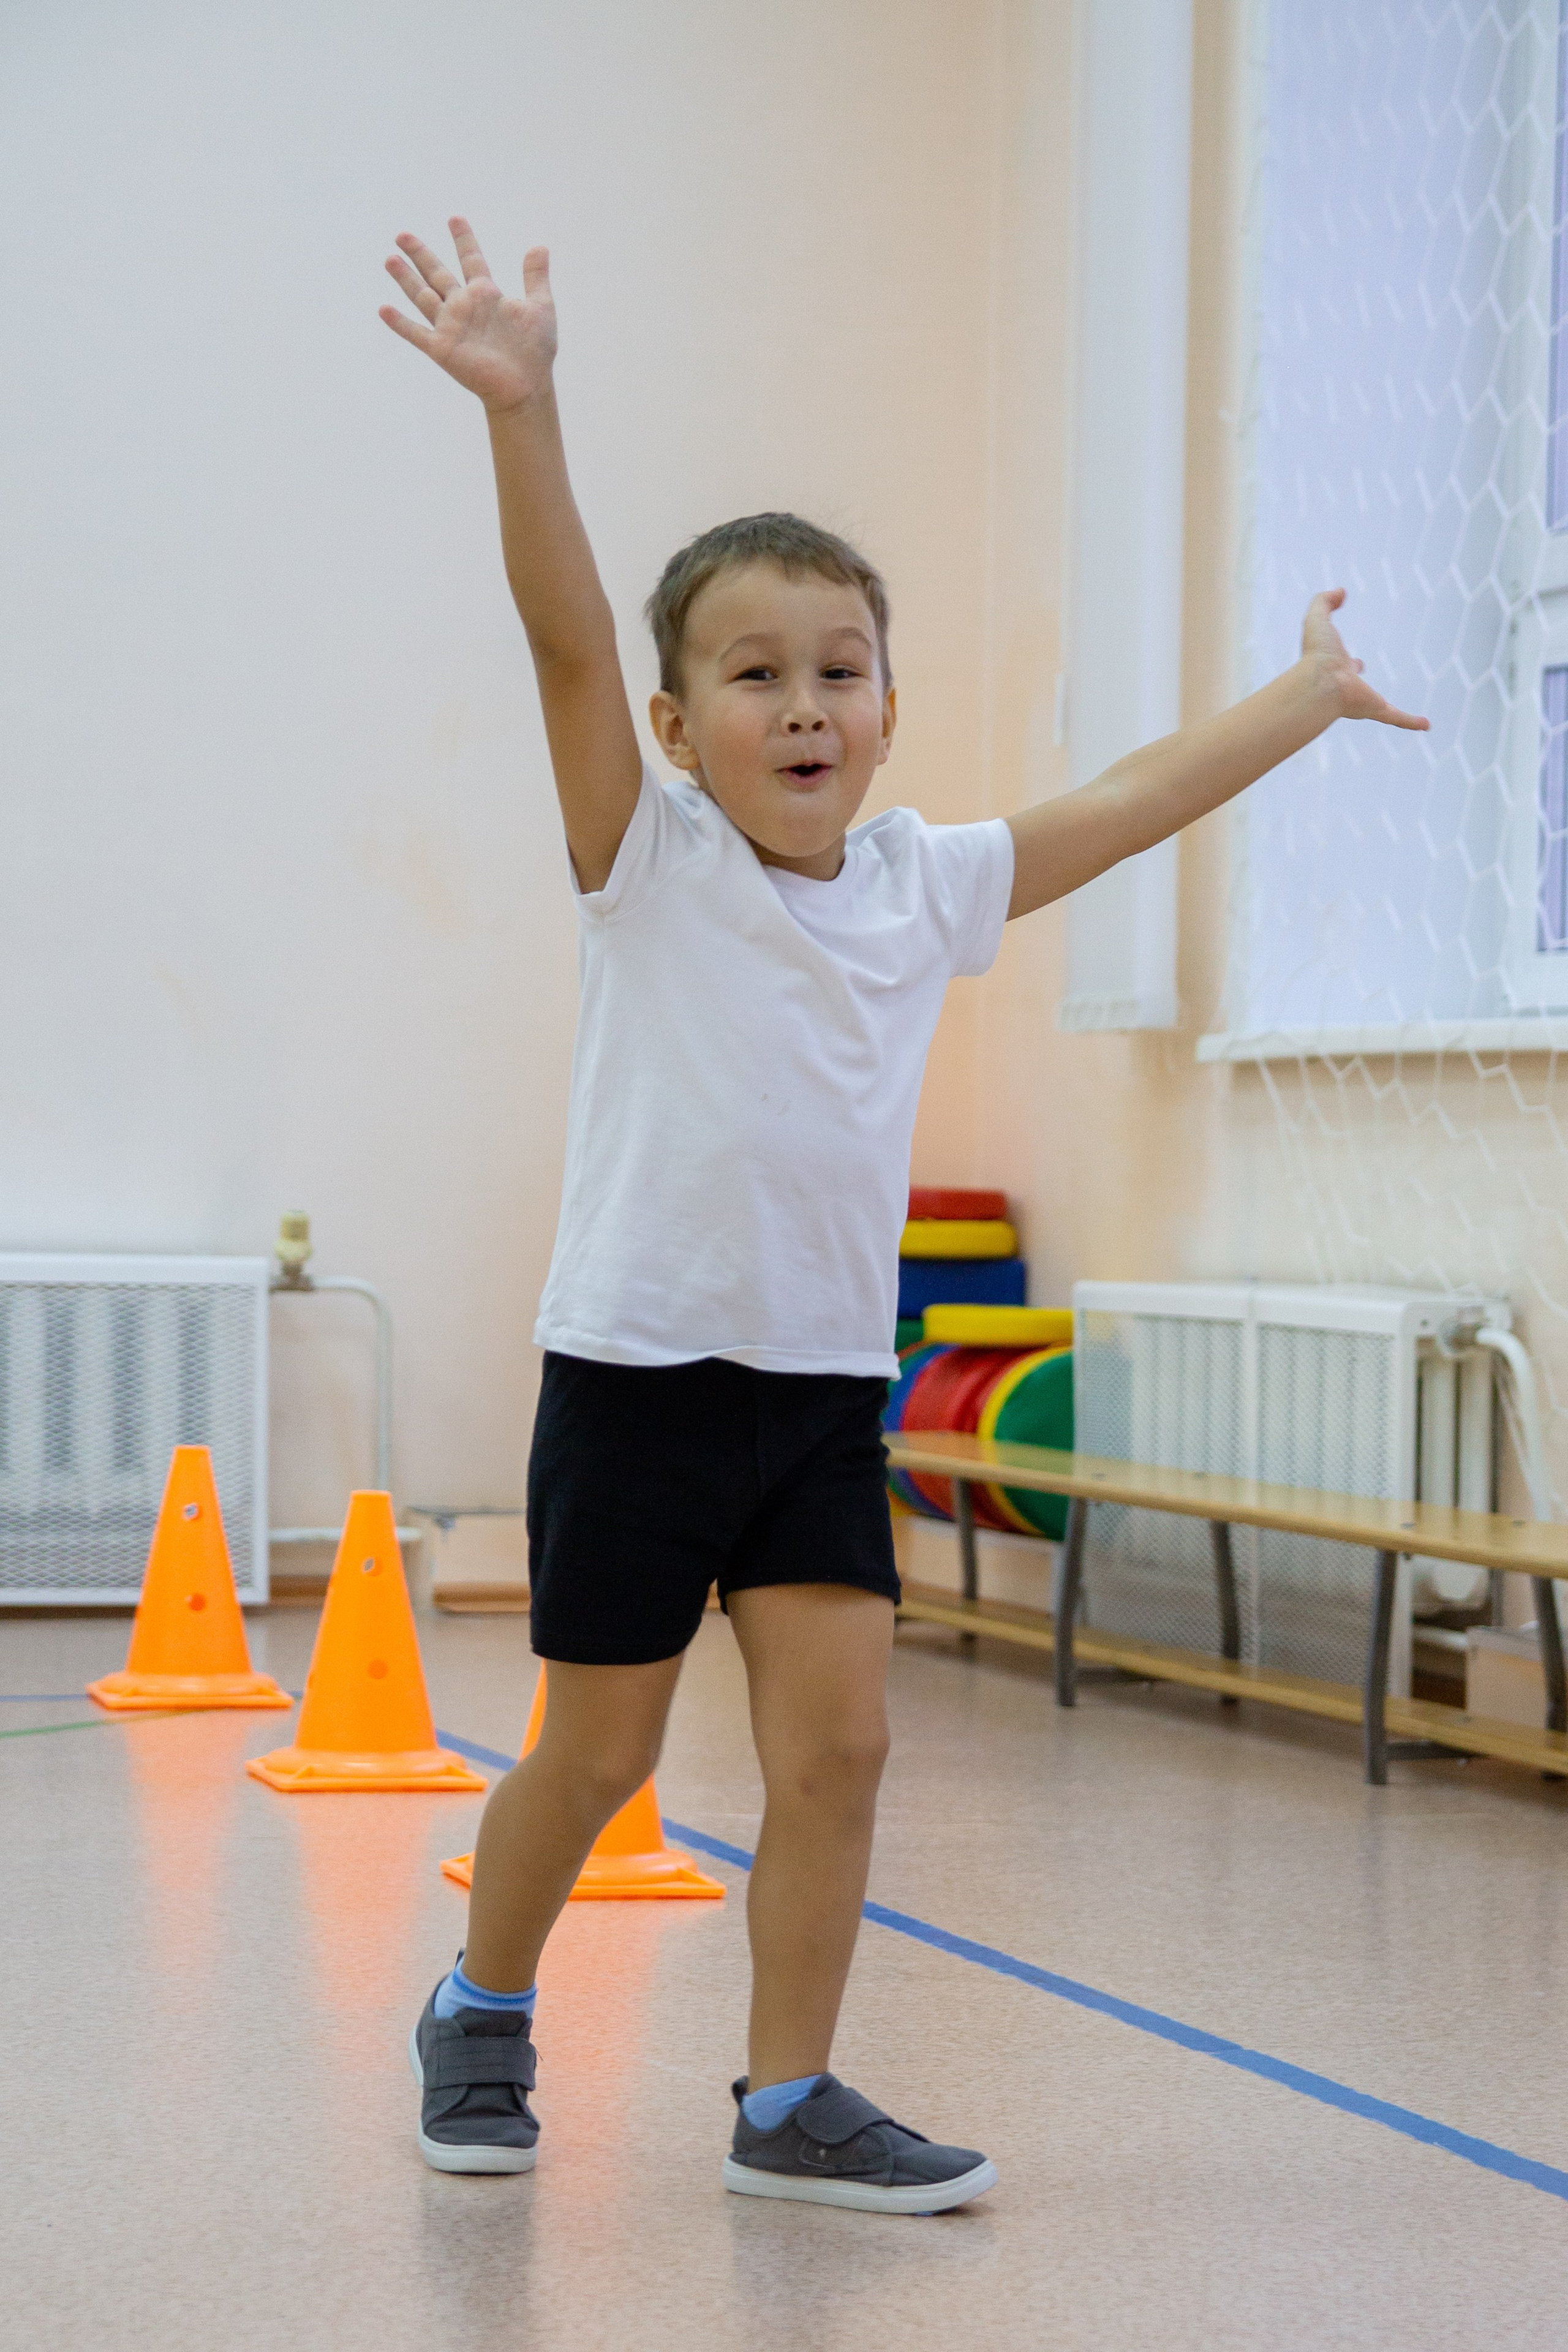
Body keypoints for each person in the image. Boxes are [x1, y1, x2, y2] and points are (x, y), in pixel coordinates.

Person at [380, 218, 1428, 2212]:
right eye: (754, 675)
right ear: (685, 728)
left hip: (807, 1393)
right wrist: (527, 412)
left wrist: (1298, 700)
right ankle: (483, 2003)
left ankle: (788, 2105)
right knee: (596, 1765)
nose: (804, 706)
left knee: (841, 1756)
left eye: (840, 672)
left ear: (885, 705)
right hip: (636, 1378)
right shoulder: (647, 859)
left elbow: (1119, 800)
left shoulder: (920, 883)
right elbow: (570, 638)